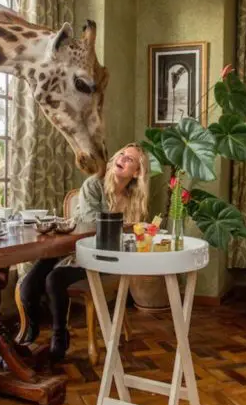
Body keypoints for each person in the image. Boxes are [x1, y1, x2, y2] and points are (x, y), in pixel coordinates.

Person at [17, 143, 150, 362]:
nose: (122, 158)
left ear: (136, 172)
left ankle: (60, 336)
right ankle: (31, 330)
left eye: (130, 159)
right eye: (122, 153)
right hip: (69, 245)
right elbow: (89, 223)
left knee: (54, 279)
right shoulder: (94, 185)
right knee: (29, 285)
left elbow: (132, 233)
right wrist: (121, 226)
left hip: (102, 256)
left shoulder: (135, 199)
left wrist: (124, 229)